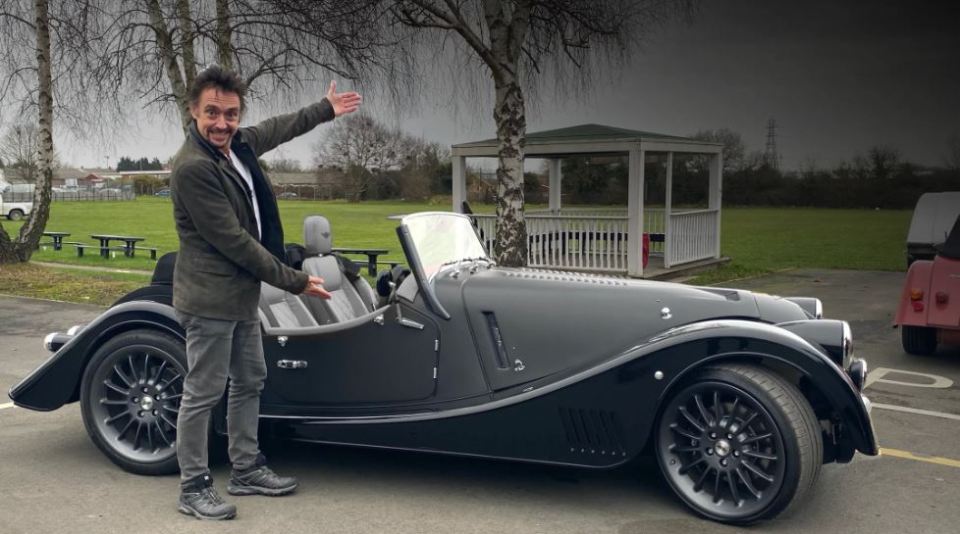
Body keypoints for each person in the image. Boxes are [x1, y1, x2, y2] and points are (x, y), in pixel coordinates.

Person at [169, 65, 361, 520]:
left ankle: (245, 468)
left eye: (230, 114)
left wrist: (324, 110)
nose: (221, 122)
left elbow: (278, 128)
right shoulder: (194, 169)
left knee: (250, 379)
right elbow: (234, 241)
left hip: (240, 298)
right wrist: (294, 280)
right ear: (194, 111)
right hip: (210, 300)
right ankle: (193, 486)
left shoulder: (237, 146)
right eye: (211, 112)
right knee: (202, 392)